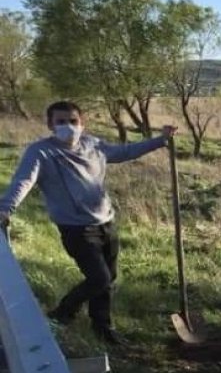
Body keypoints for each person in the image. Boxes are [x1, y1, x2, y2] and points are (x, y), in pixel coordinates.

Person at [0, 101, 177, 344]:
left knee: (108, 279)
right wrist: (5, 209)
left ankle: (102, 327)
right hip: (76, 228)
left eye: (73, 121)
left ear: (82, 123)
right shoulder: (41, 151)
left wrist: (160, 140)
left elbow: (124, 152)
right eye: (61, 122)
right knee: (99, 278)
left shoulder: (93, 145)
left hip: (106, 221)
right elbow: (24, 181)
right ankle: (62, 314)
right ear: (50, 125)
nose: (68, 126)